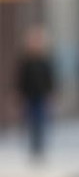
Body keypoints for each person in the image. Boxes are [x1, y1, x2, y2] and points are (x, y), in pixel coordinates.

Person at [15, 24, 57, 159]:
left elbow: (50, 78)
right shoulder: (25, 61)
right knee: (30, 120)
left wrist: (51, 94)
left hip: (41, 96)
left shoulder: (45, 61)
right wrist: (19, 94)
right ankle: (33, 146)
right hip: (29, 96)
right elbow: (21, 79)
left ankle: (39, 146)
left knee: (40, 120)